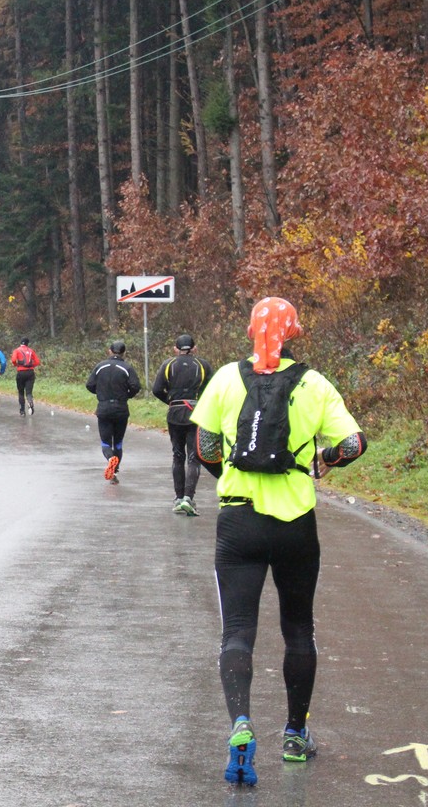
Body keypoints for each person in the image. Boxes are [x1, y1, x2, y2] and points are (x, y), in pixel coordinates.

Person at [190, 297, 367, 786]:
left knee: (237, 631)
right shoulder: (314, 383)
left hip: (238, 521)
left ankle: (241, 724)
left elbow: (204, 445)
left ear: (251, 331)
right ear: (293, 334)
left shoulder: (226, 378)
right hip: (296, 526)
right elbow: (354, 443)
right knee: (298, 629)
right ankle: (294, 735)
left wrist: (227, 476)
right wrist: (323, 459)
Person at [151, 333, 213, 515]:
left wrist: (171, 401)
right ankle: (188, 498)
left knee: (178, 455)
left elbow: (156, 389)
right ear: (194, 348)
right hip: (196, 413)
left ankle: (178, 498)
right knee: (194, 457)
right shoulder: (203, 365)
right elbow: (212, 389)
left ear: (175, 349)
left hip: (175, 413)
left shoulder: (168, 364)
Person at [86, 340, 140, 482]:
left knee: (105, 442)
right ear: (124, 353)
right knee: (118, 443)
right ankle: (114, 473)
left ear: (109, 351)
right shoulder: (127, 367)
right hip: (121, 408)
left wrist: (100, 392)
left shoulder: (100, 366)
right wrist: (127, 395)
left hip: (103, 407)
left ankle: (110, 459)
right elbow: (136, 386)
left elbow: (89, 385)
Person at [10, 337, 41, 416]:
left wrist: (16, 365)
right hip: (30, 373)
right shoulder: (31, 351)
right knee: (29, 392)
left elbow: (13, 360)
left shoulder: (17, 350)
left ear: (21, 343)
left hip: (21, 372)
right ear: (27, 344)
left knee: (21, 392)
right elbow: (37, 362)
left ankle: (22, 411)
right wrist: (32, 366)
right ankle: (30, 402)